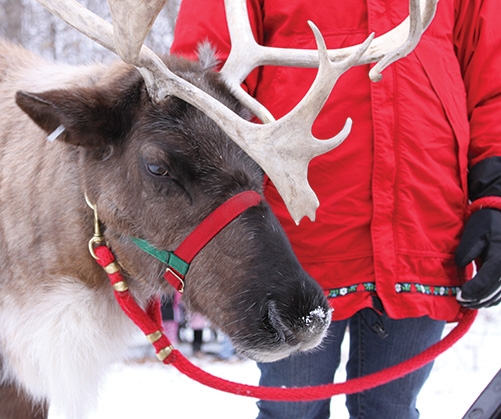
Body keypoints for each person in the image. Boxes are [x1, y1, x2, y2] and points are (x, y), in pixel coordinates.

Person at [170, 0, 501, 417]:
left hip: (423, 227)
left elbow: (493, 71)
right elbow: (206, 78)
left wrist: (495, 196)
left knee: (393, 410)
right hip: (292, 241)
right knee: (292, 412)